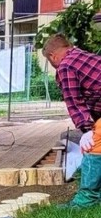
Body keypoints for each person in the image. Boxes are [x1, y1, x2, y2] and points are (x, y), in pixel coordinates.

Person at [42, 34, 101, 207]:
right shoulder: (83, 56)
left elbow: (75, 103)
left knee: (94, 145)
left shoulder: (65, 67)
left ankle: (87, 199)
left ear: (52, 56)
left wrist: (87, 130)